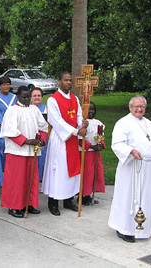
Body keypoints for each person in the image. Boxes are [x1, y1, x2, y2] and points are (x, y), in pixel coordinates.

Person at [108, 95, 151, 243]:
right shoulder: (123, 123)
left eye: (142, 106)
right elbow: (117, 144)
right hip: (131, 167)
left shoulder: (149, 124)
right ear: (130, 107)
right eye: (136, 106)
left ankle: (145, 227)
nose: (139, 109)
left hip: (148, 167)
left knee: (146, 196)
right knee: (127, 197)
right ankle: (124, 228)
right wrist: (131, 151)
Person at [41, 72, 87, 216]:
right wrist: (75, 131)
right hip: (60, 139)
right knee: (58, 170)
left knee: (71, 171)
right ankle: (53, 203)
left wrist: (82, 124)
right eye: (66, 80)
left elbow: (78, 115)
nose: (68, 83)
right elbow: (56, 120)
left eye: (70, 81)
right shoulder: (53, 100)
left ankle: (68, 200)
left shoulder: (74, 98)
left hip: (72, 139)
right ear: (59, 81)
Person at [1, 86, 48, 218]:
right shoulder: (12, 110)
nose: (27, 99)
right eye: (24, 97)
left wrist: (41, 141)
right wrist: (26, 141)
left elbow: (43, 127)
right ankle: (14, 206)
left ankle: (29, 203)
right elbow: (9, 131)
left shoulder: (34, 109)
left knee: (30, 179)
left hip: (32, 150)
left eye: (29, 96)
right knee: (17, 180)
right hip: (17, 151)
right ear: (18, 96)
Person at [78, 102, 105, 205]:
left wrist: (101, 144)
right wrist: (90, 146)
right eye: (89, 110)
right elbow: (80, 139)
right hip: (86, 153)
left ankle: (89, 194)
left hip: (95, 153)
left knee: (94, 174)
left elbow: (100, 135)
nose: (91, 112)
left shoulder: (98, 123)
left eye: (93, 110)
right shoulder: (82, 123)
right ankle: (83, 195)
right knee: (86, 175)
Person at [31, 87, 48, 181]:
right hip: (31, 137)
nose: (37, 98)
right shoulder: (28, 109)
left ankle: (42, 178)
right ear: (31, 98)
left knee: (44, 157)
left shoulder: (46, 109)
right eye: (34, 96)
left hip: (44, 137)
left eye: (39, 95)